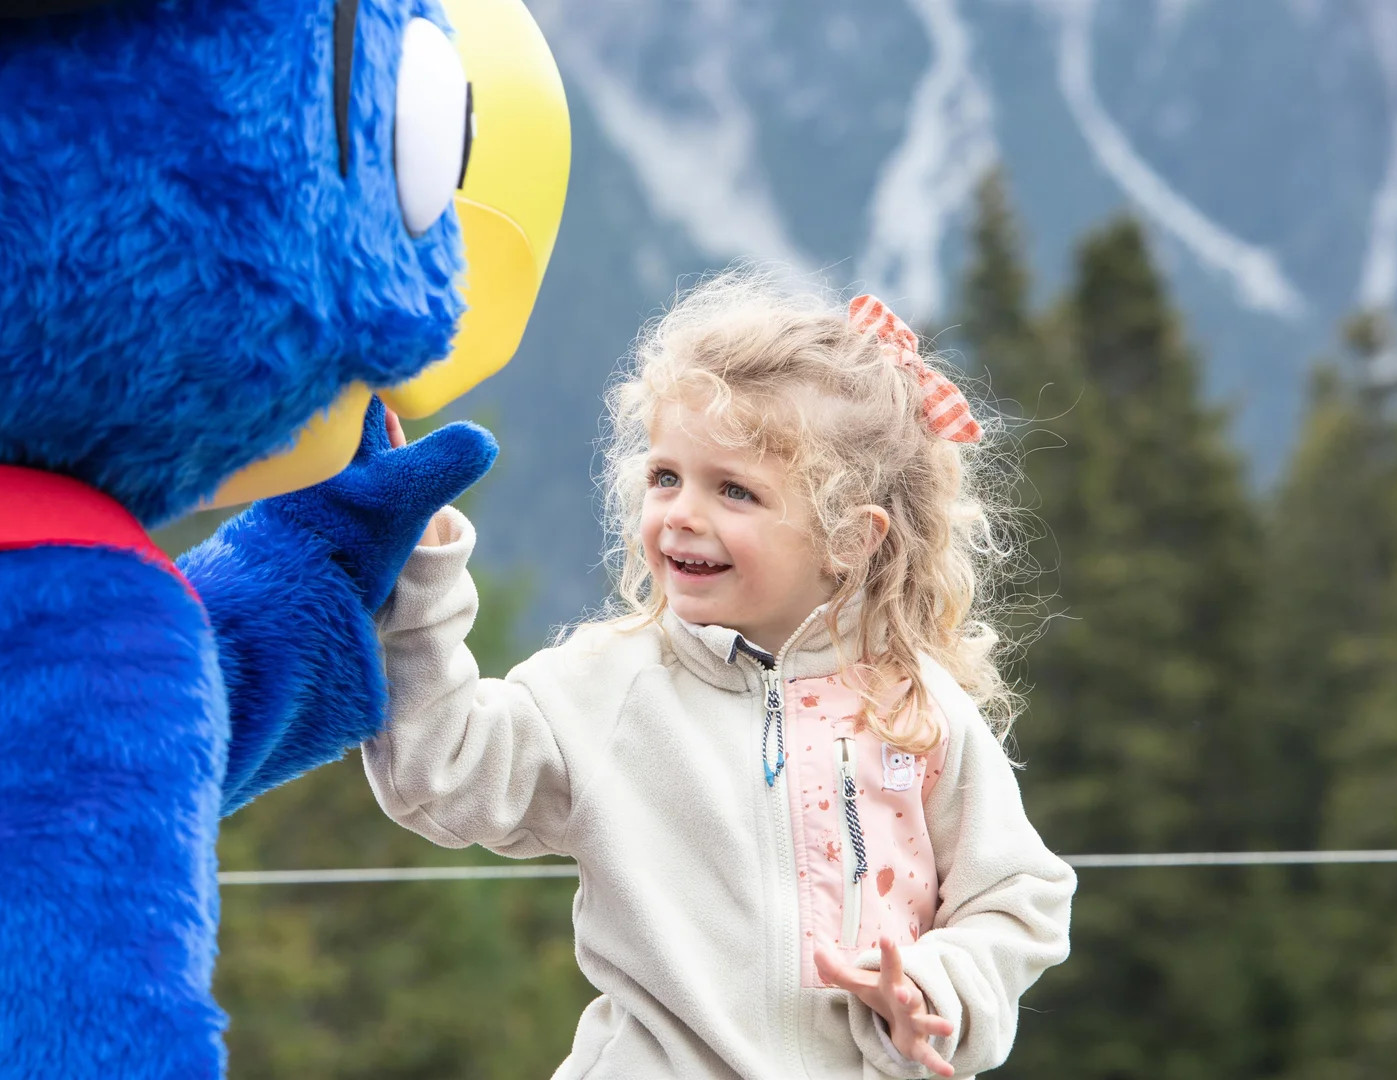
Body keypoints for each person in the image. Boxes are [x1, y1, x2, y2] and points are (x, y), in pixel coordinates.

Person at [367, 270, 1076, 1079]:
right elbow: (439, 774)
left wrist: (937, 989)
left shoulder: (918, 709)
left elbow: (1019, 897)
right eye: (666, 476)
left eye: (734, 490)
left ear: (850, 536)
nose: (680, 513)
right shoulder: (610, 686)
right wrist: (422, 576)